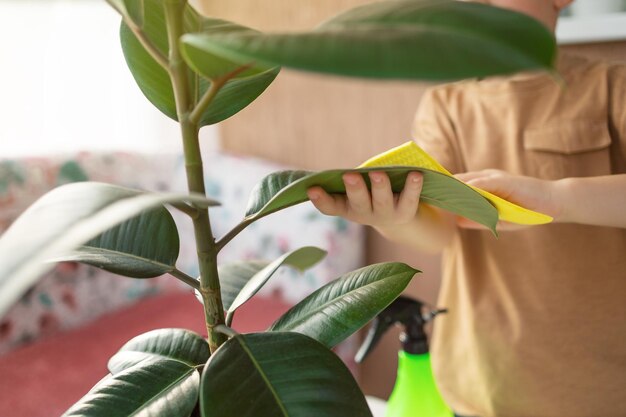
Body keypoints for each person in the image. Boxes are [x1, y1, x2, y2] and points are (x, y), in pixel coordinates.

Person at [306, 1, 626, 416]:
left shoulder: (612, 87)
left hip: (601, 384)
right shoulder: (446, 105)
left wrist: (558, 197)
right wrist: (393, 220)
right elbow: (437, 229)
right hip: (479, 379)